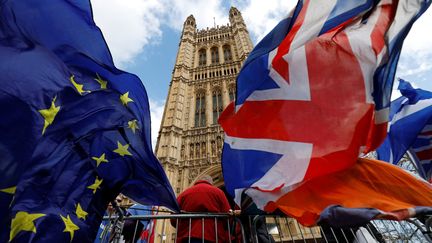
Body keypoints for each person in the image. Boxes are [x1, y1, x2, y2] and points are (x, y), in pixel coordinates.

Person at [173, 175, 232, 243]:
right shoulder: (218, 192)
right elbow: (228, 214)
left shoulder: (184, 193)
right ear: (211, 183)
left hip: (187, 236)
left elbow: (174, 218)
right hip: (212, 235)